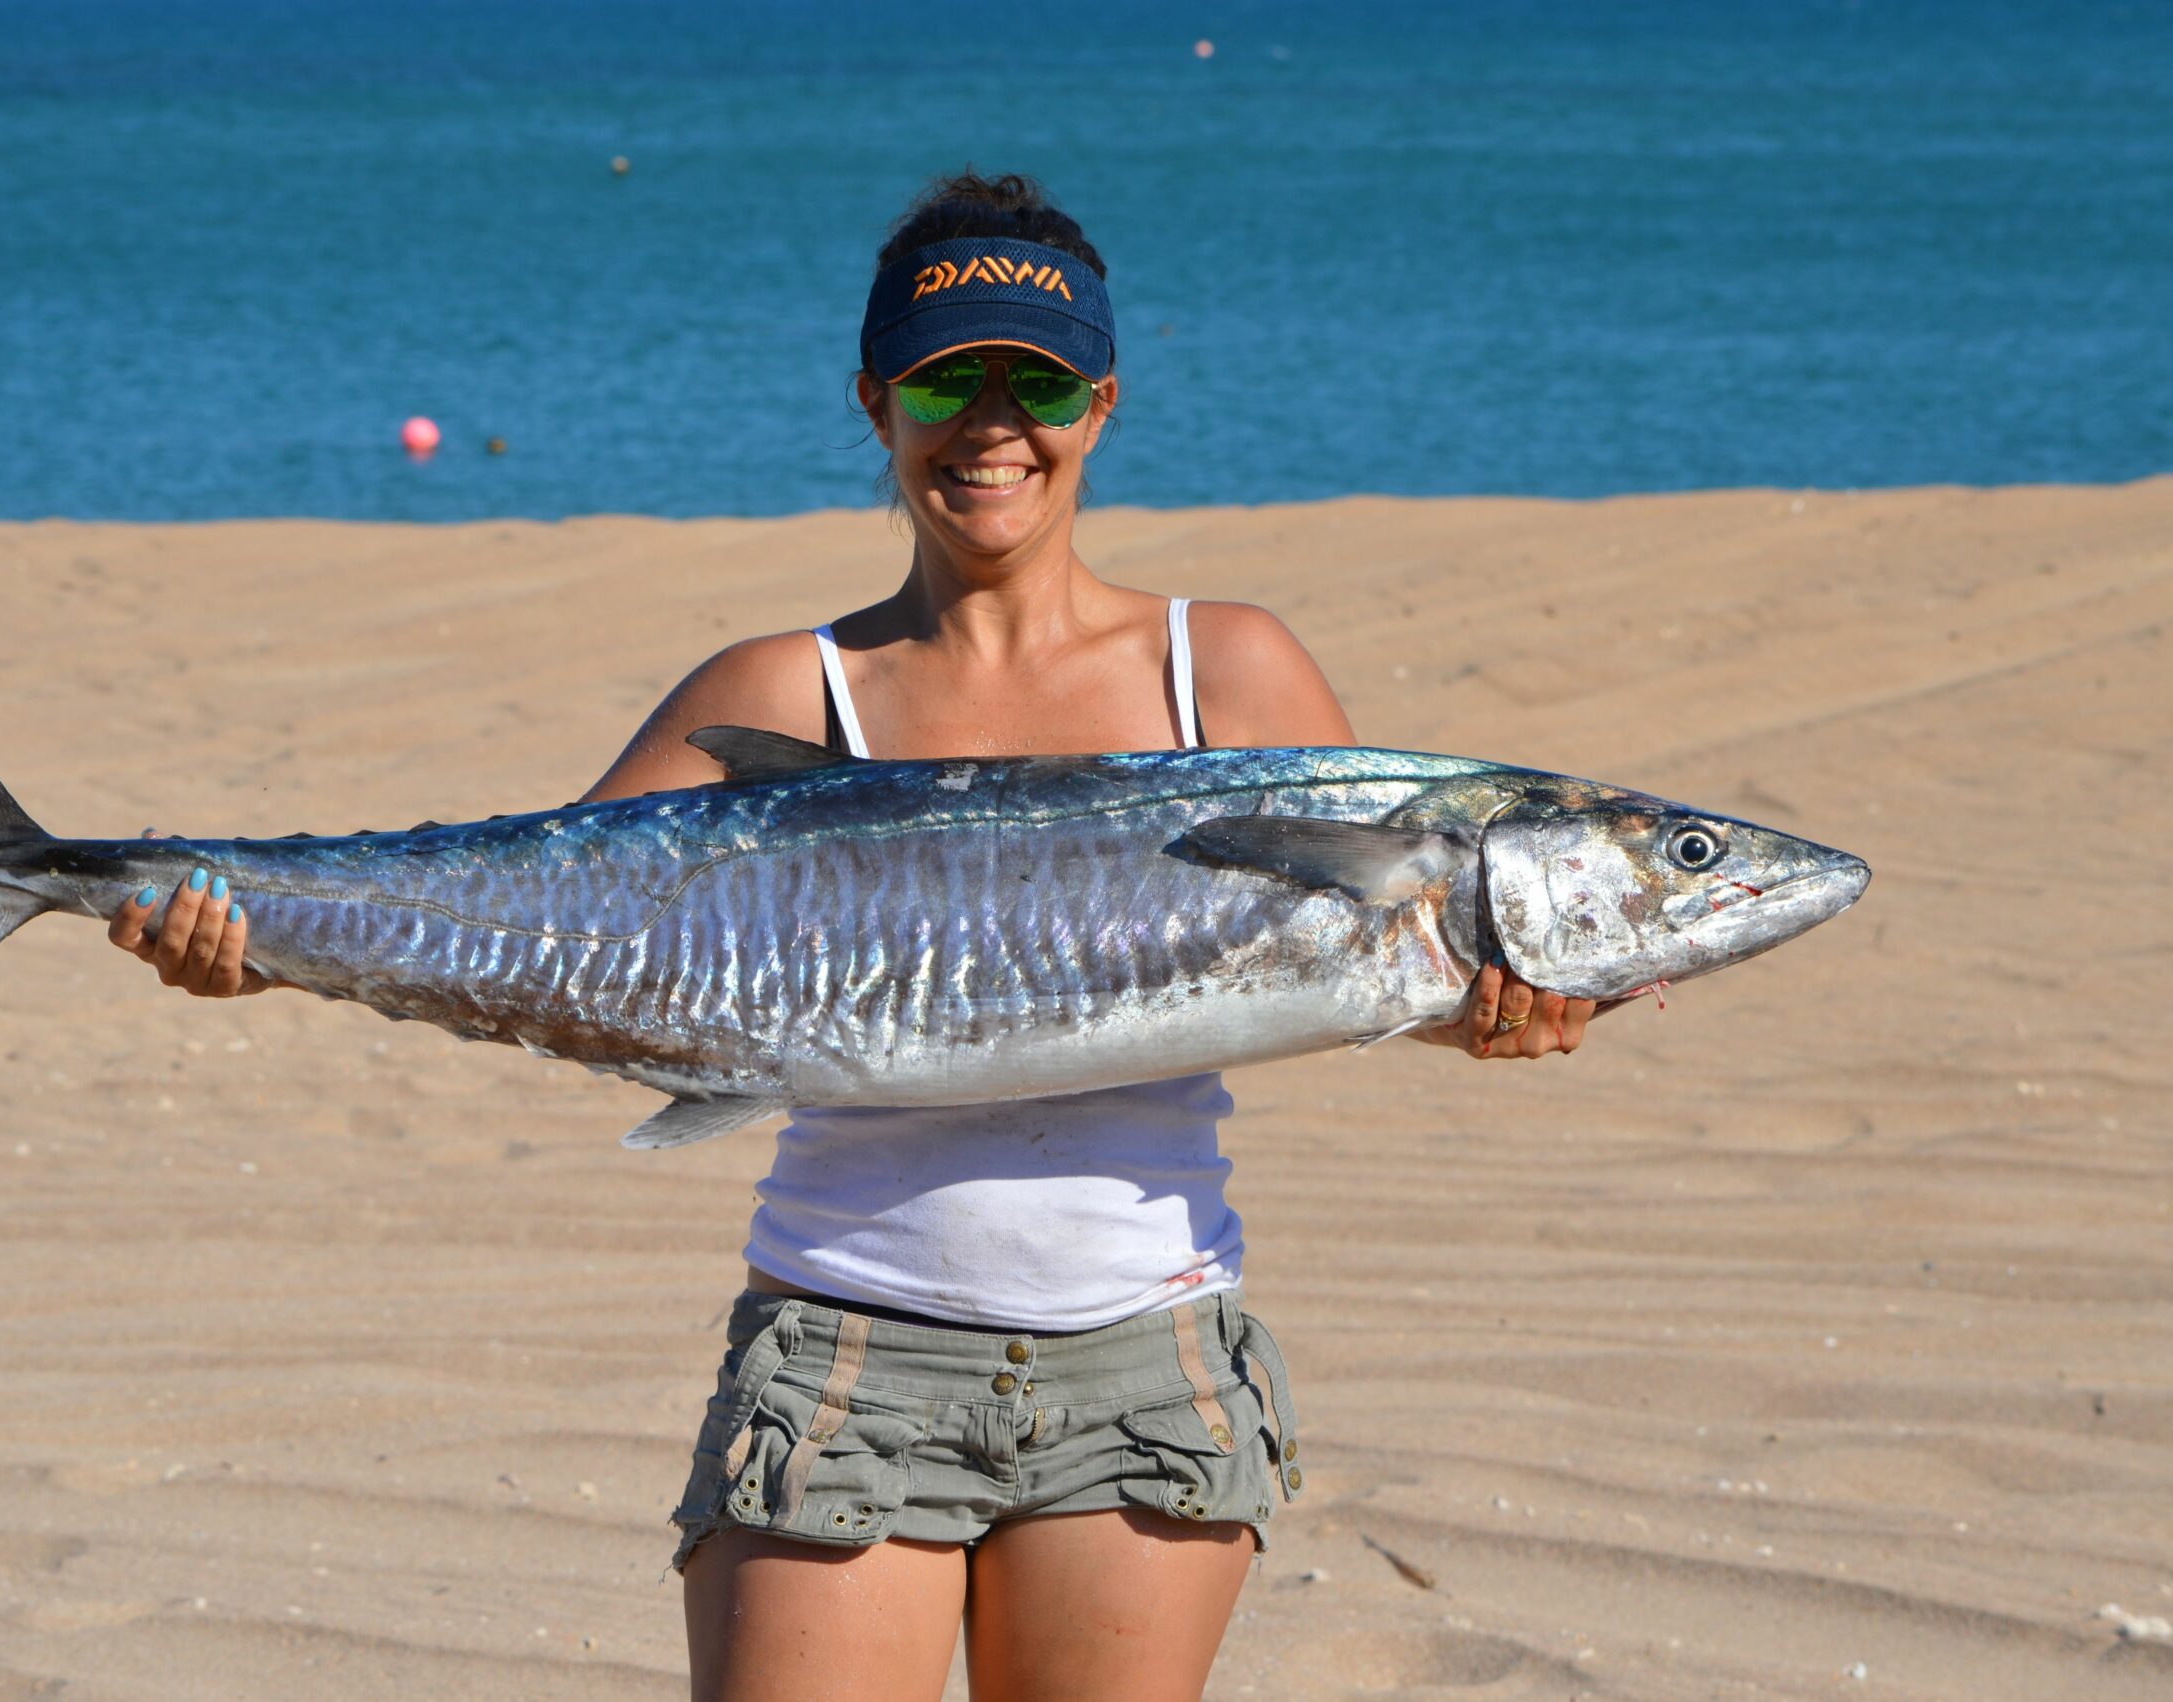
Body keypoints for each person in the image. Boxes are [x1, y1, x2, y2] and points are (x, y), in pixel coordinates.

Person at [107, 171, 1599, 1701]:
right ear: (877, 399)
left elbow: (1342, 973)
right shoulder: (777, 685)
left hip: (1145, 1363)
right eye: (952, 379)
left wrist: (1489, 1010)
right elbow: (548, 926)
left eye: (1045, 381)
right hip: (843, 1356)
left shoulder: (1227, 666)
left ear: (1105, 402)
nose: (996, 422)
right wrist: (254, 936)